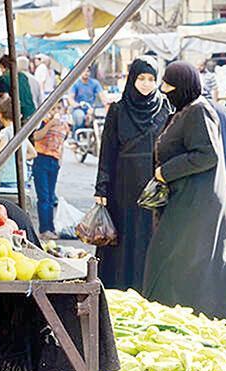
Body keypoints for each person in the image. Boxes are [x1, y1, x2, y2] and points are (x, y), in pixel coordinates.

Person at [142, 61, 226, 321]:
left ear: (184, 86)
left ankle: (205, 316)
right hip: (186, 200)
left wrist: (165, 172)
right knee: (180, 261)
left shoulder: (199, 111)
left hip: (197, 205)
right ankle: (180, 315)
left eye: (169, 84)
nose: (164, 90)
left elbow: (207, 155)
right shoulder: (185, 109)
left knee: (190, 262)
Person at [94, 57, 173, 291]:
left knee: (149, 234)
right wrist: (101, 187)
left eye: (151, 79)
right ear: (132, 79)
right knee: (124, 235)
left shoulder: (165, 108)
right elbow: (107, 149)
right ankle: (119, 286)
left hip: (154, 183)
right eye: (141, 78)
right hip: (123, 184)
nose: (146, 84)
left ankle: (148, 286)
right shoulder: (118, 110)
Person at [32, 101, 70, 240]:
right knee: (44, 196)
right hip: (41, 159)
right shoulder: (42, 122)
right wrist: (50, 124)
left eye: (58, 108)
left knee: (50, 197)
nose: (56, 110)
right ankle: (44, 229)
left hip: (54, 161)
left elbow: (62, 144)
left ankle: (50, 228)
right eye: (53, 107)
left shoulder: (64, 126)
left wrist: (60, 160)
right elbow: (36, 136)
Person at [0, 55, 36, 123]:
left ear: (2, 66)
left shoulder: (2, 79)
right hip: (32, 112)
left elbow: (4, 99)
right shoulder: (23, 76)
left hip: (18, 115)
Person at [71, 67, 104, 134]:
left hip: (91, 108)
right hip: (79, 108)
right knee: (79, 116)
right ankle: (76, 138)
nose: (86, 73)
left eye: (88, 71)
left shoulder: (95, 83)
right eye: (84, 71)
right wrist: (77, 104)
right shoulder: (76, 84)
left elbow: (102, 96)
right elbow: (70, 98)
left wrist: (107, 104)